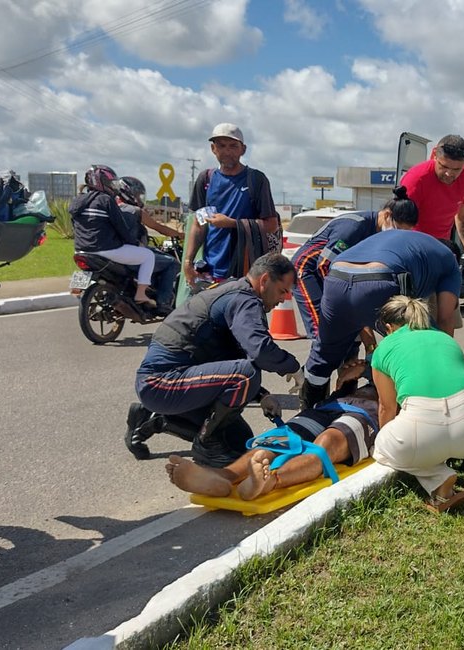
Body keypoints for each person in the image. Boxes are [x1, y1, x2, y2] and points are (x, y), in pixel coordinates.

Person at [129, 252, 304, 467]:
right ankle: (206, 445)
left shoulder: (233, 291)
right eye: (282, 291)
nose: (283, 299)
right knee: (245, 375)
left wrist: (263, 396)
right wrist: (293, 367)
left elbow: (227, 358)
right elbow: (259, 351)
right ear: (265, 280)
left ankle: (153, 420)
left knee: (238, 442)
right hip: (161, 383)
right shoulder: (245, 299)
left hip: (170, 383)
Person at [370, 296, 464, 512]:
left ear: (389, 328)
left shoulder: (384, 348)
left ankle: (439, 479)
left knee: (381, 448)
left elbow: (387, 408)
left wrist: (391, 438)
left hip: (421, 435)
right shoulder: (445, 338)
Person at [298, 227, 463, 410]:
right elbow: (446, 317)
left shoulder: (409, 244)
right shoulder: (450, 262)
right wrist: (443, 363)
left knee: (324, 355)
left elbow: (359, 309)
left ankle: (307, 416)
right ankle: (419, 411)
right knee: (416, 347)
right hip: (383, 279)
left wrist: (369, 357)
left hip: (336, 277)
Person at [166, 360, 378, 501]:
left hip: (369, 414)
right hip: (332, 405)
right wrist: (352, 372)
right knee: (280, 439)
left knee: (327, 443)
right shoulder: (387, 352)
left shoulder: (404, 369)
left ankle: (270, 480)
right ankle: (222, 477)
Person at [291, 187, 419, 338]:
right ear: (386, 215)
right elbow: (324, 264)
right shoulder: (354, 227)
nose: (395, 235)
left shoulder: (378, 234)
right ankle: (323, 359)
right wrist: (346, 298)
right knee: (323, 327)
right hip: (307, 270)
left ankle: (349, 359)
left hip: (334, 274)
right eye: (397, 229)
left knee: (350, 329)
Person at [184, 123, 278, 285]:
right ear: (213, 149)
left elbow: (271, 225)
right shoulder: (206, 179)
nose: (227, 151)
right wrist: (188, 262)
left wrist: (232, 224)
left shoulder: (256, 180)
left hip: (247, 271)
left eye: (233, 146)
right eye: (221, 146)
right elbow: (199, 225)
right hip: (211, 270)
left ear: (243, 149)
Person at [70, 164, 157, 307]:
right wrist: (133, 242)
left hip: (81, 249)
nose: (112, 187)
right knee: (148, 256)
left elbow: (75, 226)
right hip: (106, 249)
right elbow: (120, 226)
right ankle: (141, 293)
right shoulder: (106, 200)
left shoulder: (77, 201)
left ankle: (77, 287)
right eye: (110, 183)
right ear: (101, 182)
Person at [400, 134, 464, 286]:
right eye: (444, 166)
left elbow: (463, 217)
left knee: (449, 306)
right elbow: (400, 226)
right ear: (434, 156)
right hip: (413, 250)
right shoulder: (416, 179)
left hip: (442, 249)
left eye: (456, 169)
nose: (449, 173)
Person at [114, 176, 182, 314]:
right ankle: (163, 302)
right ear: (129, 193)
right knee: (172, 263)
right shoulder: (134, 210)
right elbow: (158, 227)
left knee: (153, 252)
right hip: (130, 253)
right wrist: (181, 235)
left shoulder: (110, 206)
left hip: (114, 250)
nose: (139, 199)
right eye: (138, 195)